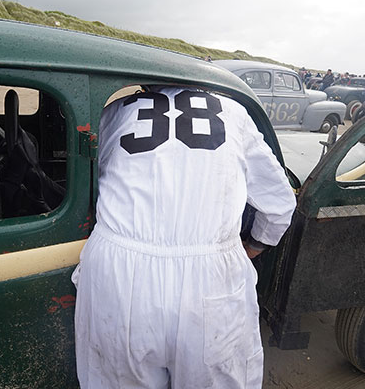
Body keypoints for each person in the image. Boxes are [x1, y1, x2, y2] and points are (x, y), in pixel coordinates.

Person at [73, 86, 296, 388]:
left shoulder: (114, 111)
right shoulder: (232, 112)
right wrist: (254, 244)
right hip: (210, 282)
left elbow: (88, 180)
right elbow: (279, 204)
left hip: (120, 278)